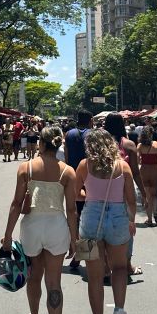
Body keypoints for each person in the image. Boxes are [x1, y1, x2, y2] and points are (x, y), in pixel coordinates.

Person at [2, 126, 77, 314]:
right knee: (54, 283)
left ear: (41, 144)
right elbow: (71, 210)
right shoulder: (68, 172)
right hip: (57, 227)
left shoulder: (26, 168)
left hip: (32, 227)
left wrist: (8, 236)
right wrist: (74, 239)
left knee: (34, 275)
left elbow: (16, 204)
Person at [76, 130, 137, 314]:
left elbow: (75, 193)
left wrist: (90, 193)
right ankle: (119, 309)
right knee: (119, 267)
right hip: (118, 217)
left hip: (90, 218)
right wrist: (131, 221)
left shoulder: (84, 165)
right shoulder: (123, 166)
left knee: (94, 275)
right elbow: (131, 200)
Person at [104, 113, 145, 278]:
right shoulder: (128, 145)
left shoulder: (100, 144)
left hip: (103, 190)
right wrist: (144, 193)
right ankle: (127, 265)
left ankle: (106, 266)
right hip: (124, 192)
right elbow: (135, 172)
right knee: (129, 226)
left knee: (104, 226)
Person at [64, 110, 93, 271]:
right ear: (90, 120)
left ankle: (77, 252)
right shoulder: (92, 134)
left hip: (73, 177)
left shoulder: (69, 134)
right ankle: (84, 255)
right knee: (86, 219)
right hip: (90, 178)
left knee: (75, 216)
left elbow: (67, 157)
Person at [136, 126, 157, 226]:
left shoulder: (140, 146)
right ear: (151, 134)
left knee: (147, 195)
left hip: (144, 170)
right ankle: (155, 212)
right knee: (154, 194)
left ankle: (149, 219)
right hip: (155, 170)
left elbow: (137, 160)